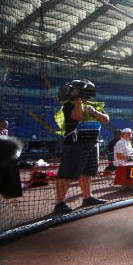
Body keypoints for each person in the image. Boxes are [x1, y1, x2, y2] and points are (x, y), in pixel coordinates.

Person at [53, 79, 110, 215]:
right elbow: (77, 116)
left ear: (82, 91)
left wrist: (94, 112)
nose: (70, 91)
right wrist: (78, 100)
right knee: (67, 174)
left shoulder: (94, 104)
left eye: (73, 89)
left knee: (87, 172)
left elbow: (106, 119)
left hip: (92, 143)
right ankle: (59, 203)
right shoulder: (69, 104)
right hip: (75, 144)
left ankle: (87, 197)